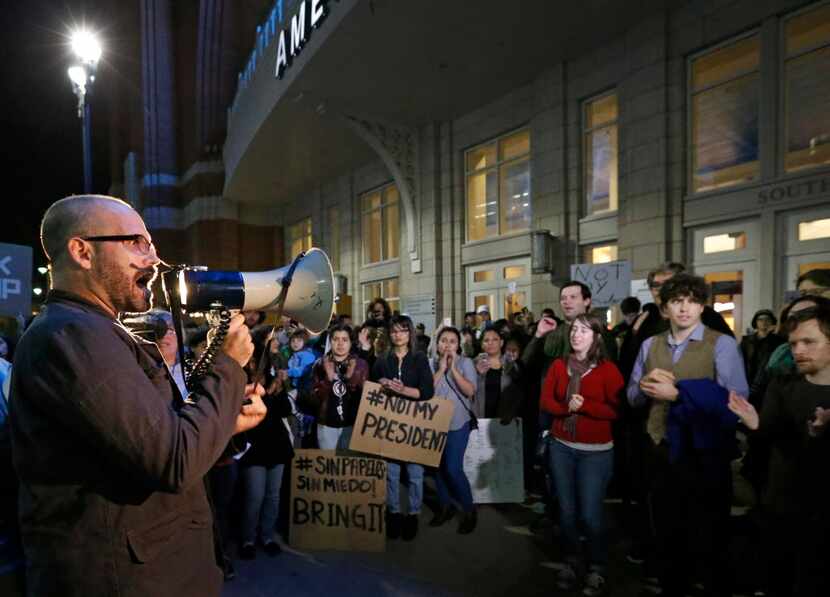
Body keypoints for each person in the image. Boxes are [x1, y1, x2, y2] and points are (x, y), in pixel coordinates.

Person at [8, 195, 266, 597]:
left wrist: (224, 418)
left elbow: (148, 440)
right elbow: (173, 460)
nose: (154, 259)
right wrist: (228, 367)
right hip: (127, 581)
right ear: (82, 251)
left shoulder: (91, 330)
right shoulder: (71, 335)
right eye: (137, 242)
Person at [627, 273, 748, 597]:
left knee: (709, 534)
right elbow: (632, 398)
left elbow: (736, 401)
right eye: (676, 301)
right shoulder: (649, 345)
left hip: (705, 453)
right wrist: (644, 385)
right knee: (667, 533)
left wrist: (679, 393)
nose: (684, 308)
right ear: (664, 308)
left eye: (692, 301)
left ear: (702, 306)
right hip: (661, 447)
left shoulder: (720, 344)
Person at [729, 305, 830, 597]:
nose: (798, 350)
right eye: (793, 343)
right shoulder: (783, 384)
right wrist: (753, 423)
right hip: (784, 502)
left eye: (809, 342)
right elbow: (770, 436)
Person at [541, 314, 622, 596]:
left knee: (590, 514)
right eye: (574, 329)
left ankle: (597, 565)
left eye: (584, 331)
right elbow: (547, 401)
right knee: (566, 512)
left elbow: (616, 410)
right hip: (561, 447)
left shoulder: (608, 370)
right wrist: (567, 408)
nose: (576, 335)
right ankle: (572, 560)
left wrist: (586, 406)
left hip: (596, 454)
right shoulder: (558, 366)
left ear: (596, 337)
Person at [371, 315, 434, 541]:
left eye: (403, 331)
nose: (398, 335)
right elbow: (372, 381)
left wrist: (403, 390)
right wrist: (382, 383)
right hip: (389, 420)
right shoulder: (382, 359)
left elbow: (427, 392)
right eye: (394, 331)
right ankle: (394, 513)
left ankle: (413, 515)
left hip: (413, 422)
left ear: (410, 334)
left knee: (415, 473)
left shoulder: (419, 358)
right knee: (391, 472)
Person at [238, 341, 294, 561]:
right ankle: (248, 539)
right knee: (255, 495)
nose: (255, 364)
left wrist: (278, 392)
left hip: (277, 446)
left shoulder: (273, 382)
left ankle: (267, 536)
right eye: (252, 360)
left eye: (259, 360)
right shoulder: (240, 383)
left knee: (273, 495)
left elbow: (285, 410)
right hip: (253, 448)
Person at [429, 326, 478, 533]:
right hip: (434, 423)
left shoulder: (466, 363)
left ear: (458, 346)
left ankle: (469, 509)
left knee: (452, 468)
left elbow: (470, 391)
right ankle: (445, 506)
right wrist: (440, 369)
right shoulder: (429, 363)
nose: (447, 344)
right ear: (437, 343)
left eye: (452, 341)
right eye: (443, 340)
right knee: (438, 468)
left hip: (458, 424)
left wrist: (453, 369)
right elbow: (425, 392)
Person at [308, 324, 369, 450]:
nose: (340, 344)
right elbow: (313, 397)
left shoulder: (361, 365)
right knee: (328, 465)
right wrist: (327, 380)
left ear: (351, 342)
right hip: (326, 423)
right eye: (336, 339)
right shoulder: (319, 364)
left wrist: (350, 376)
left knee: (348, 466)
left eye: (344, 340)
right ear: (330, 341)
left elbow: (366, 395)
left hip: (352, 423)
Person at [474, 328, 523, 423]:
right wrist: (477, 373)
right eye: (486, 340)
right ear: (482, 344)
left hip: (507, 419)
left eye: (495, 339)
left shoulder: (512, 364)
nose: (490, 343)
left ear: (501, 343)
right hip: (482, 419)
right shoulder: (473, 363)